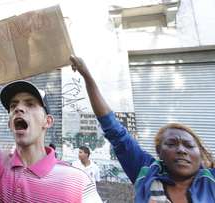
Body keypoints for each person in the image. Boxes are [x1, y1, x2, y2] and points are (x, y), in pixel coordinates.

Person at [70, 55, 215, 203]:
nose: (181, 150)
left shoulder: (211, 181)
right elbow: (113, 129)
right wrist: (86, 75)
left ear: (200, 151)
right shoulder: (145, 171)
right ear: (159, 152)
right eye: (171, 144)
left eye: (189, 145)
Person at [0, 80, 102, 202]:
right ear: (9, 123)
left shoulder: (76, 180)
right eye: (13, 106)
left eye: (30, 104)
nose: (19, 109)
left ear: (47, 121)